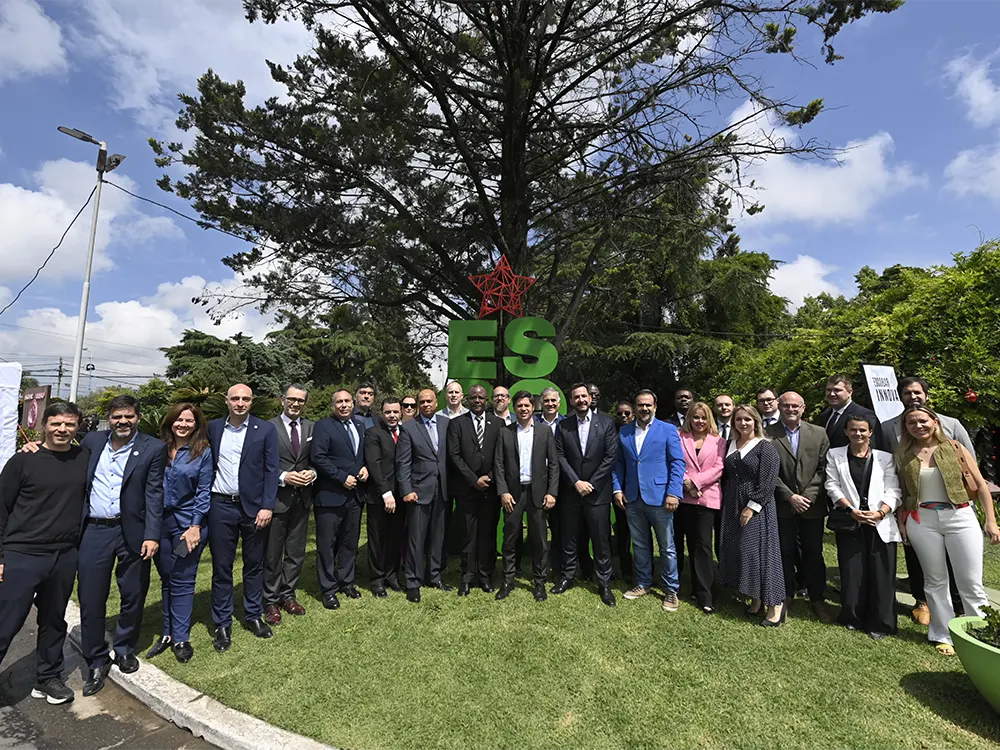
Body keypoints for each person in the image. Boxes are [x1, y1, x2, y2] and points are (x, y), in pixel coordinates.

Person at [0, 403, 89, 705]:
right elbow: (2, 509)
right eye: (57, 424)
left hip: (64, 555)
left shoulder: (83, 458)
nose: (63, 429)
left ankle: (48, 677)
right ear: (45, 426)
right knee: (6, 621)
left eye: (70, 424)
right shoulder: (23, 461)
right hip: (21, 554)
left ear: (78, 427)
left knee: (54, 620)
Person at [76, 395, 165, 696]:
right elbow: (63, 458)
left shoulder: (153, 448)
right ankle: (96, 657)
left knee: (133, 592)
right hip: (94, 531)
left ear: (138, 417)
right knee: (90, 596)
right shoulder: (91, 442)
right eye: (117, 417)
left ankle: (125, 647)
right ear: (109, 418)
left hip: (133, 532)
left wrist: (152, 534)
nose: (123, 422)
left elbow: (154, 493)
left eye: (128, 416)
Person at [894, 405, 1000, 654]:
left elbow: (982, 487)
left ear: (934, 421)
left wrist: (991, 521)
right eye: (911, 423)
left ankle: (980, 632)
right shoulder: (903, 453)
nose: (917, 426)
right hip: (922, 519)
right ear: (905, 427)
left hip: (960, 516)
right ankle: (943, 634)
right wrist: (902, 523)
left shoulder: (954, 447)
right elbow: (903, 492)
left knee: (970, 582)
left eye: (922, 421)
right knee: (935, 581)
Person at [882, 375, 973, 625]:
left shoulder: (951, 424)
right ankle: (921, 600)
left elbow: (970, 464)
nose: (913, 397)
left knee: (957, 558)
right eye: (907, 393)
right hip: (914, 506)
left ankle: (958, 603)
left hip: (954, 505)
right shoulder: (889, 427)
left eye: (917, 392)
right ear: (900, 398)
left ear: (926, 395)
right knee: (918, 555)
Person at [207, 384, 280, 652]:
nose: (240, 403)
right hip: (220, 506)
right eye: (235, 398)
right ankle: (222, 623)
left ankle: (253, 615)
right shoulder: (214, 428)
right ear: (226, 401)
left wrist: (267, 506)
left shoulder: (265, 429)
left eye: (245, 399)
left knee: (254, 564)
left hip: (254, 509)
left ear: (252, 402)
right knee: (222, 567)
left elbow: (272, 470)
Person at [825, 414, 902, 639]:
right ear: (846, 432)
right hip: (851, 520)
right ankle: (852, 616)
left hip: (880, 521)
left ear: (870, 433)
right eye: (853, 430)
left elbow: (894, 489)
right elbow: (832, 485)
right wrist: (851, 510)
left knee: (881, 573)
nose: (858, 434)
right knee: (852, 571)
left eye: (862, 430)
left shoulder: (885, 458)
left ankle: (881, 622)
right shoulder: (835, 455)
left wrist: (881, 512)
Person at [147, 403, 212, 663]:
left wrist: (195, 526)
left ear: (196, 424)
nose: (183, 424)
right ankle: (167, 632)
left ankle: (181, 636)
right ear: (170, 422)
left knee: (182, 578)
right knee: (166, 577)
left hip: (187, 527)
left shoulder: (202, 452)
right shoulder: (156, 449)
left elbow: (203, 491)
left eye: (189, 421)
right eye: (179, 420)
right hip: (159, 525)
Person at [613, 390, 686, 612]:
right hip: (632, 497)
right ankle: (643, 583)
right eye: (640, 405)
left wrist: (674, 493)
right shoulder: (625, 432)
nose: (644, 408)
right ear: (635, 407)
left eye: (648, 405)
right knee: (641, 544)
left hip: (660, 497)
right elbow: (619, 464)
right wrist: (617, 489)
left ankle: (671, 590)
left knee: (667, 547)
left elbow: (677, 463)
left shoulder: (668, 430)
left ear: (655, 406)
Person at [765, 392, 833, 623]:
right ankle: (785, 595)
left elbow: (824, 469)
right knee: (784, 552)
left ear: (803, 408)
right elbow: (767, 470)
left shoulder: (819, 433)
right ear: (778, 407)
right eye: (786, 405)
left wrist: (807, 497)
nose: (790, 409)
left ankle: (817, 598)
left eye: (795, 406)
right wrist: (789, 496)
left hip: (811, 507)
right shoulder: (767, 434)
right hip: (782, 505)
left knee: (813, 553)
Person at [553, 383, 618, 605]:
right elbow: (560, 456)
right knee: (569, 538)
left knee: (601, 540)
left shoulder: (607, 423)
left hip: (597, 493)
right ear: (571, 401)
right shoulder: (564, 425)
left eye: (584, 396)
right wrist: (576, 482)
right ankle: (568, 576)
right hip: (572, 493)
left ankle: (604, 583)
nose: (581, 400)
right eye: (576, 397)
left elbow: (610, 457)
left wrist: (590, 483)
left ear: (590, 399)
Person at [719, 404, 785, 626]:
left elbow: (767, 482)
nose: (743, 423)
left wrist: (751, 506)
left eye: (747, 419)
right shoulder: (731, 444)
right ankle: (756, 599)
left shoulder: (765, 447)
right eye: (739, 420)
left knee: (758, 553)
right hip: (731, 504)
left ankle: (775, 605)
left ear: (756, 421)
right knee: (742, 553)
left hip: (756, 506)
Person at [495, 391, 559, 601]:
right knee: (510, 539)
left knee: (539, 540)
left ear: (533, 408)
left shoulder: (544, 431)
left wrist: (552, 492)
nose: (523, 409)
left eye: (527, 405)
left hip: (537, 493)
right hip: (513, 494)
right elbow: (499, 465)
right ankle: (508, 581)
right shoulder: (505, 432)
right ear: (514, 408)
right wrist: (503, 491)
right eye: (519, 405)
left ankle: (539, 582)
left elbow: (554, 465)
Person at [311, 389, 368, 610]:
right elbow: (319, 457)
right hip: (330, 496)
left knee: (349, 542)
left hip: (354, 496)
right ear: (332, 405)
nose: (343, 405)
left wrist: (364, 467)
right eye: (339, 402)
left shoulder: (360, 425)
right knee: (327, 545)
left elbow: (359, 454)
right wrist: (341, 477)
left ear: (353, 404)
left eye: (347, 401)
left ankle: (347, 582)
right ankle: (328, 589)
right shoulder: (323, 426)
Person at [263, 385, 315, 626]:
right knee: (273, 553)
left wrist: (311, 474)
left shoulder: (311, 427)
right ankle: (270, 600)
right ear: (282, 400)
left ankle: (288, 595)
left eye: (300, 401)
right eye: (292, 399)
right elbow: (260, 464)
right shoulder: (267, 428)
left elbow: (315, 460)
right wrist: (284, 477)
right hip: (277, 499)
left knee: (295, 552)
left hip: (302, 499)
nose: (295, 404)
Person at [396, 388, 452, 602]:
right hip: (418, 492)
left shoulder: (446, 424)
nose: (426, 404)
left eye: (429, 401)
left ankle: (435, 576)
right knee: (416, 539)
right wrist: (407, 490)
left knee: (438, 537)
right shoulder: (409, 428)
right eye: (422, 402)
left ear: (436, 402)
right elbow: (402, 463)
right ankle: (413, 581)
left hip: (443, 489)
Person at [446, 384, 503, 595]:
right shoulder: (457, 424)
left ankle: (485, 575)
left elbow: (501, 455)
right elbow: (454, 455)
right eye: (473, 397)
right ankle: (467, 577)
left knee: (487, 534)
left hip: (490, 489)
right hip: (467, 490)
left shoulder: (498, 423)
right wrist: (473, 479)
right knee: (468, 535)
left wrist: (489, 477)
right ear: (467, 400)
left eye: (481, 397)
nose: (477, 401)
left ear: (486, 400)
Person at [678, 402, 726, 613]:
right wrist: (686, 483)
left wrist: (695, 483)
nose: (699, 421)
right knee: (683, 543)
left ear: (709, 420)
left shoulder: (719, 441)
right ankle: (686, 586)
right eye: (696, 417)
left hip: (706, 499)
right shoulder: (680, 437)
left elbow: (719, 467)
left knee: (703, 546)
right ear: (690, 418)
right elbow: (674, 462)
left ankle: (705, 593)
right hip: (681, 498)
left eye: (703, 418)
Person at [365, 397, 405, 596]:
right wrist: (386, 493)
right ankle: (377, 579)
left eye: (395, 412)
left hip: (400, 496)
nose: (392, 416)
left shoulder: (404, 432)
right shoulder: (373, 434)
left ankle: (391, 574)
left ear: (401, 413)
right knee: (377, 539)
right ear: (382, 413)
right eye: (388, 412)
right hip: (379, 496)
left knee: (395, 538)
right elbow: (374, 465)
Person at [818, 374, 883, 450]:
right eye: (829, 390)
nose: (832, 394)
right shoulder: (824, 416)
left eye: (837, 390)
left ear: (850, 392)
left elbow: (873, 447)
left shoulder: (864, 415)